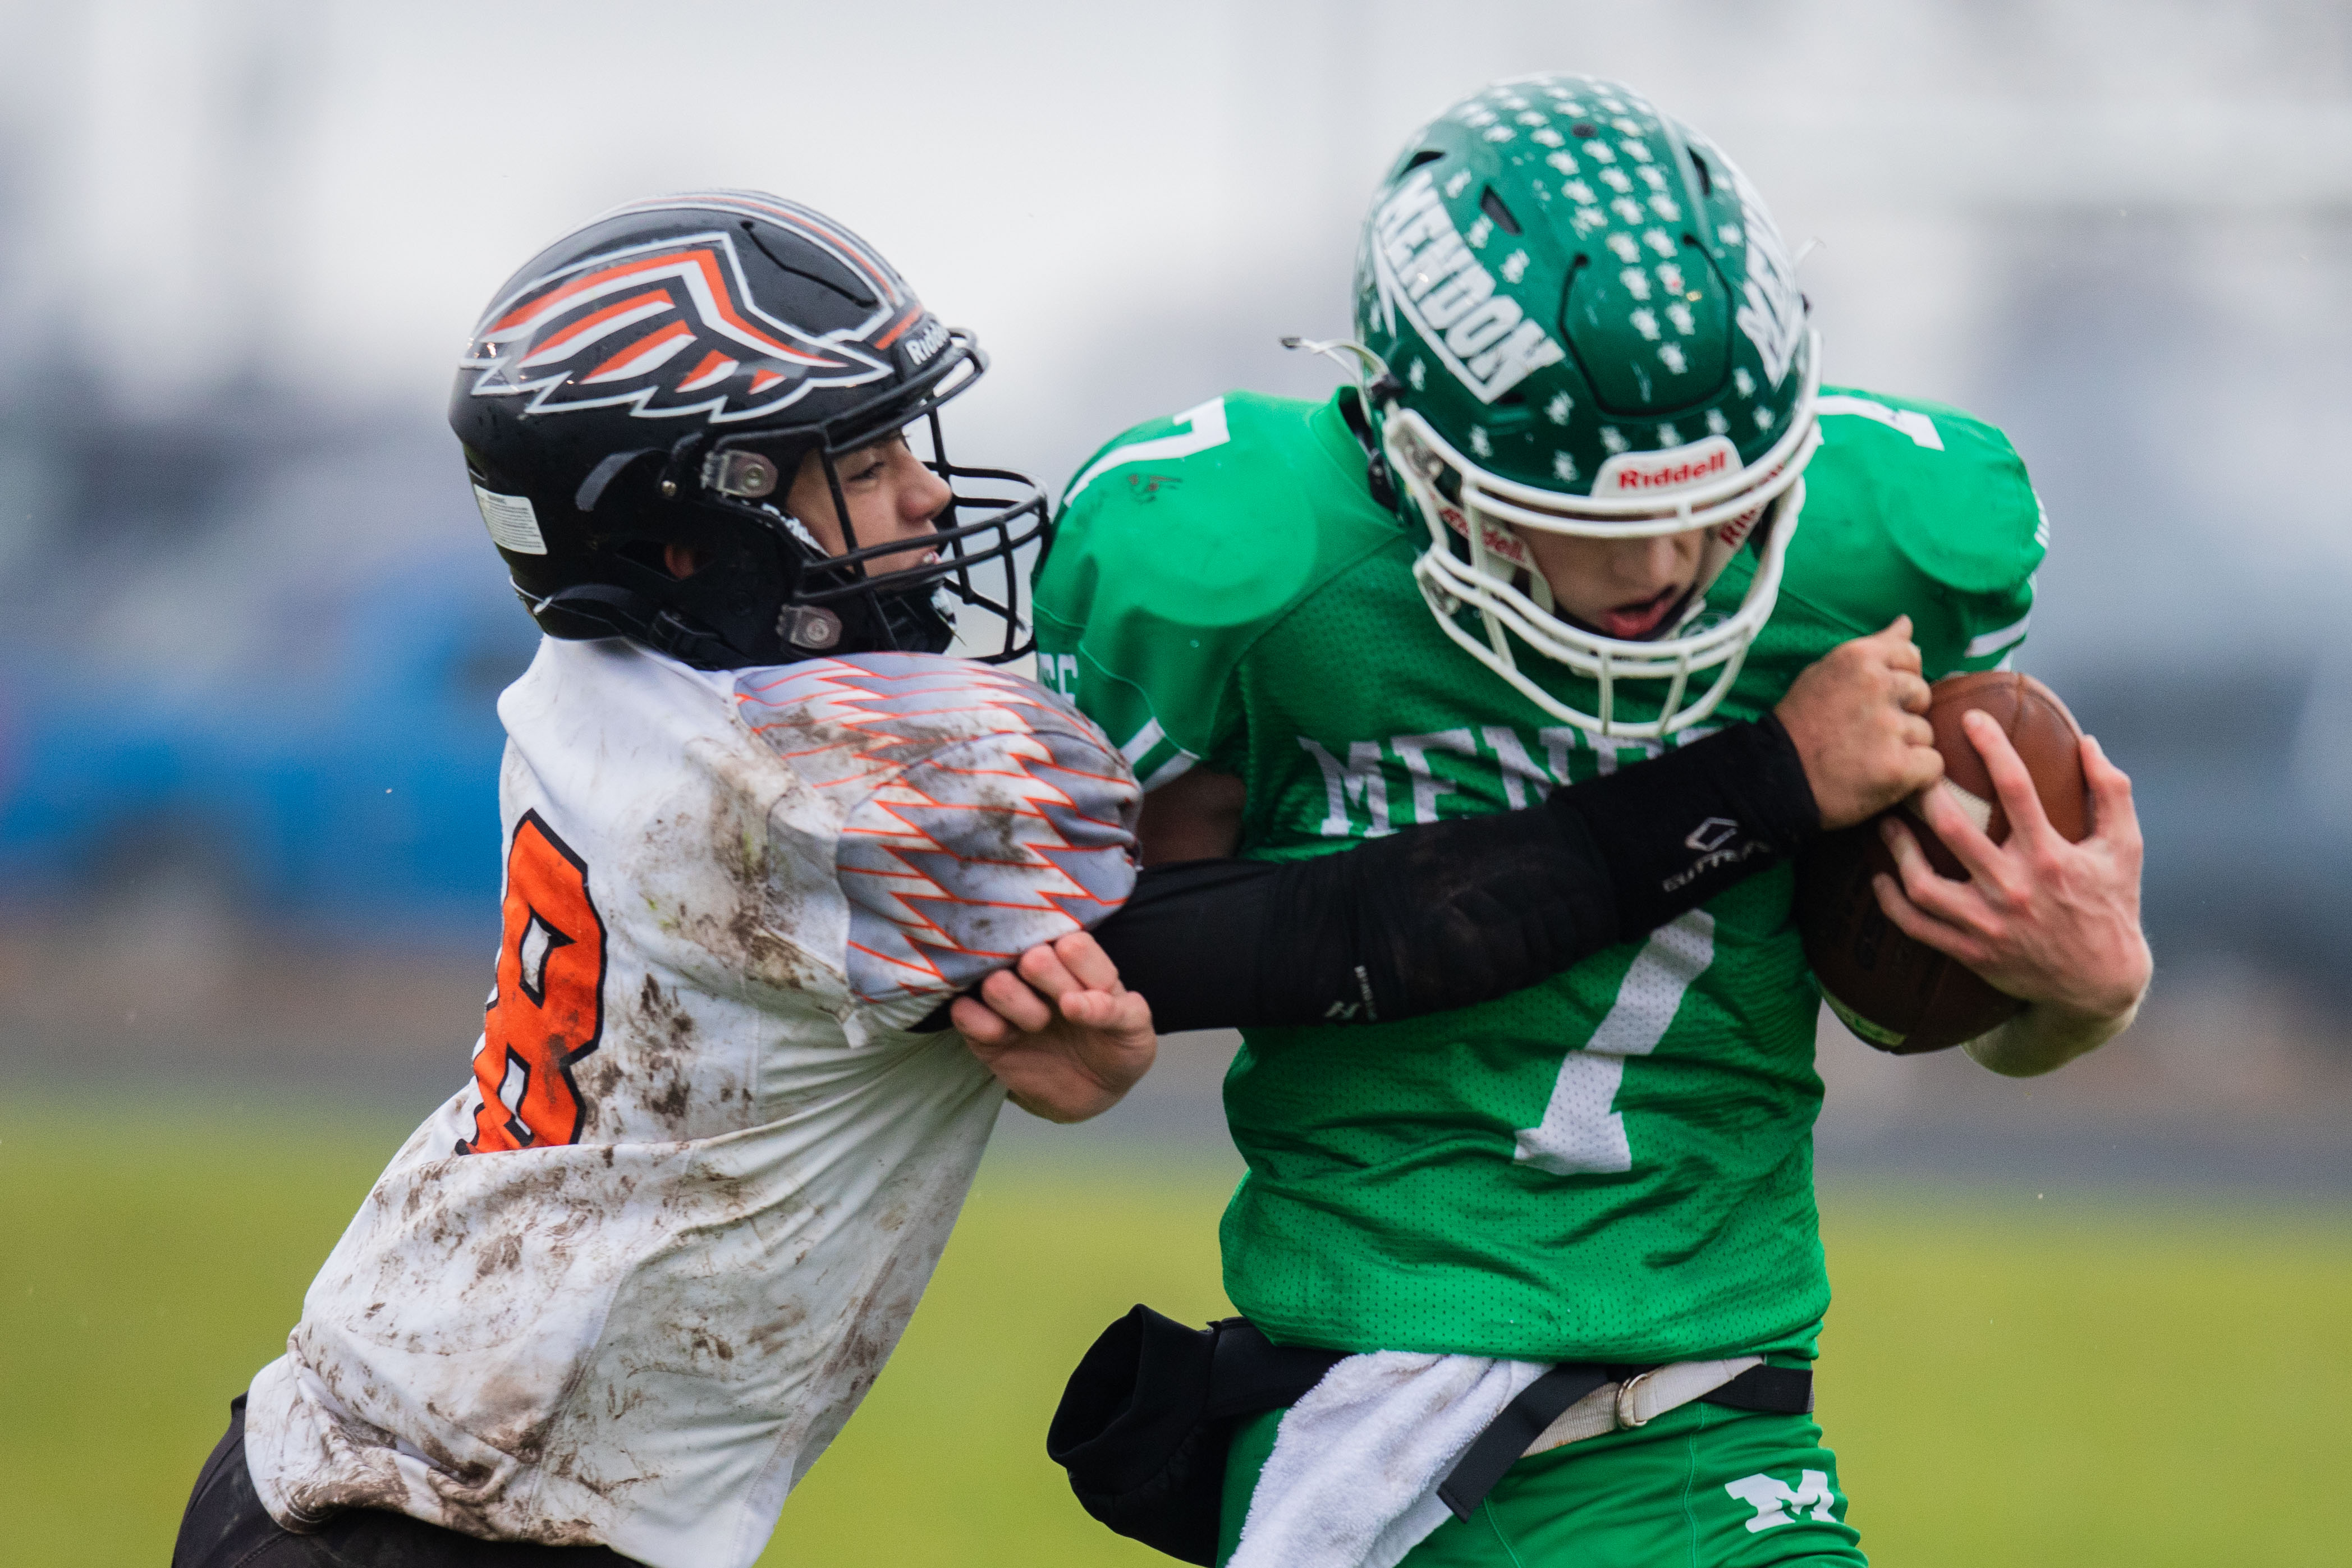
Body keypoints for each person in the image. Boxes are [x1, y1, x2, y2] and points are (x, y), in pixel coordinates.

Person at [171, 189, 1942, 1568]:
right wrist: (1755, 785)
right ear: (687, 528)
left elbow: (1053, 996)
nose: (924, 502)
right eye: (858, 464)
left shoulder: (617, 699)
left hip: (393, 1455)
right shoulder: (805, 783)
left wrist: (1071, 1018)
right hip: (450, 1520)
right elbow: (1346, 933)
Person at [1034, 75, 2151, 1567]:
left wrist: (2082, 997)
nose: (1676, 563)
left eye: (1723, 505)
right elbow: (1114, 963)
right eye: (1604, 517)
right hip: (1381, 1418)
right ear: (1428, 457)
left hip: (1735, 1421)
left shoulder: (1879, 549)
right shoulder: (1251, 564)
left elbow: (1933, 999)